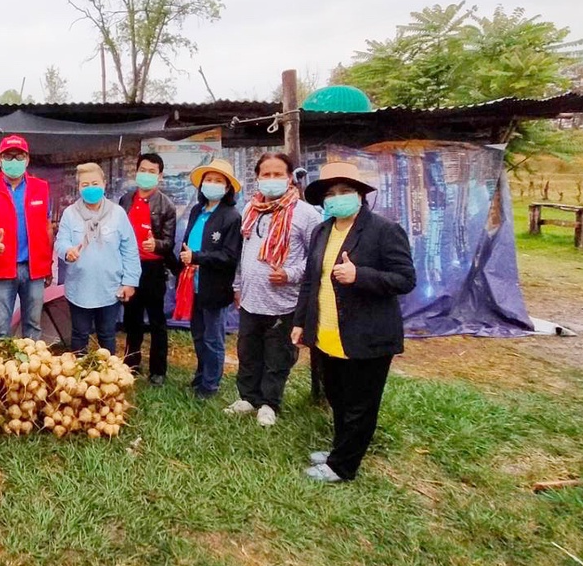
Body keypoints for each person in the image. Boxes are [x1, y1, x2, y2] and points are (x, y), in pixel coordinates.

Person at [291, 161, 416, 483]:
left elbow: (404, 279)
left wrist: (361, 275)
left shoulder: (384, 231)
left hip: (366, 334)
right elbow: (310, 281)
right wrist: (301, 321)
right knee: (338, 397)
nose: (337, 198)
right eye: (331, 193)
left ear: (360, 195)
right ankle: (341, 449)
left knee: (361, 404)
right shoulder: (322, 230)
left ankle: (343, 467)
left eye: (345, 191)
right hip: (328, 332)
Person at [231, 153, 322, 426]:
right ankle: (248, 397)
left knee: (277, 355)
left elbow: (317, 258)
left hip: (284, 302)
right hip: (250, 299)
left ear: (290, 177)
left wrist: (291, 274)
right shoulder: (250, 210)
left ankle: (270, 403)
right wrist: (237, 285)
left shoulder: (306, 214)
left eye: (278, 174)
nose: (271, 180)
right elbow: (243, 252)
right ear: (257, 178)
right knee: (248, 351)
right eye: (266, 175)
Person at [55, 163, 140, 354]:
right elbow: (60, 242)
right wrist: (67, 251)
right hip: (79, 287)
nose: (90, 188)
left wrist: (130, 282)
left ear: (104, 184)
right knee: (79, 333)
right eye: (85, 185)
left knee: (107, 334)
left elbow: (130, 249)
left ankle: (107, 375)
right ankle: (78, 375)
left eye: (95, 183)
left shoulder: (117, 214)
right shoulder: (70, 214)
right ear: (78, 188)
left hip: (109, 288)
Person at [0, 135, 54, 340]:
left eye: (18, 156)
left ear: (27, 159)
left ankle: (29, 369)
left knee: (33, 326)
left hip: (35, 268)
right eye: (8, 156)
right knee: (0, 328)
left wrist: (48, 263)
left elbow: (47, 228)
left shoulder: (41, 187)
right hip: (2, 266)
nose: (13, 161)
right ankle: (2, 370)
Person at [178, 159, 243, 399]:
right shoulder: (197, 211)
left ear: (227, 188)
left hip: (214, 286)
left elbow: (228, 256)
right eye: (208, 179)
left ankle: (210, 385)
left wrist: (197, 256)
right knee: (197, 333)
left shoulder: (231, 217)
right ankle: (200, 376)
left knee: (213, 337)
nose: (212, 184)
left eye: (218, 181)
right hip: (192, 284)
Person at [118, 153, 177, 384]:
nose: (146, 174)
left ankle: (158, 371)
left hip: (153, 269)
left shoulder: (166, 205)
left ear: (159, 176)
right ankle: (132, 364)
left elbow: (169, 242)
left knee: (156, 322)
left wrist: (157, 245)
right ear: (136, 172)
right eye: (143, 169)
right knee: (132, 320)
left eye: (152, 171)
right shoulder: (126, 200)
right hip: (130, 268)